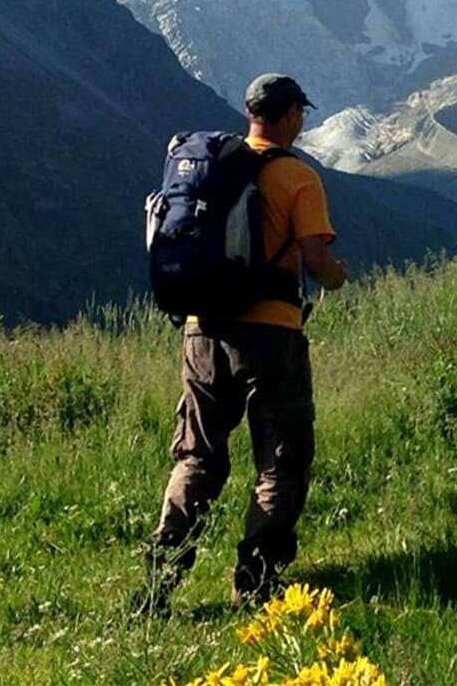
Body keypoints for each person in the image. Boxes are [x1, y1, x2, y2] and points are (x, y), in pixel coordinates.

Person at [139, 74, 346, 612]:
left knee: (197, 457)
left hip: (200, 329)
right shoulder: (296, 176)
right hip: (270, 333)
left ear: (251, 112)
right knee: (282, 458)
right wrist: (336, 276)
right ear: (292, 115)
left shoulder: (208, 169)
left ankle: (160, 578)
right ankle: (256, 583)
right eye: (301, 112)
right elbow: (318, 263)